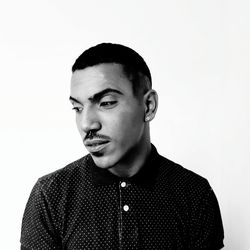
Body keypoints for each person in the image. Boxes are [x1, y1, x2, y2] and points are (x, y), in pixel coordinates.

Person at [20, 43, 224, 249]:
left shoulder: (195, 195)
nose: (87, 124)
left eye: (106, 102)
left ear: (148, 106)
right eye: (78, 108)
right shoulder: (50, 195)